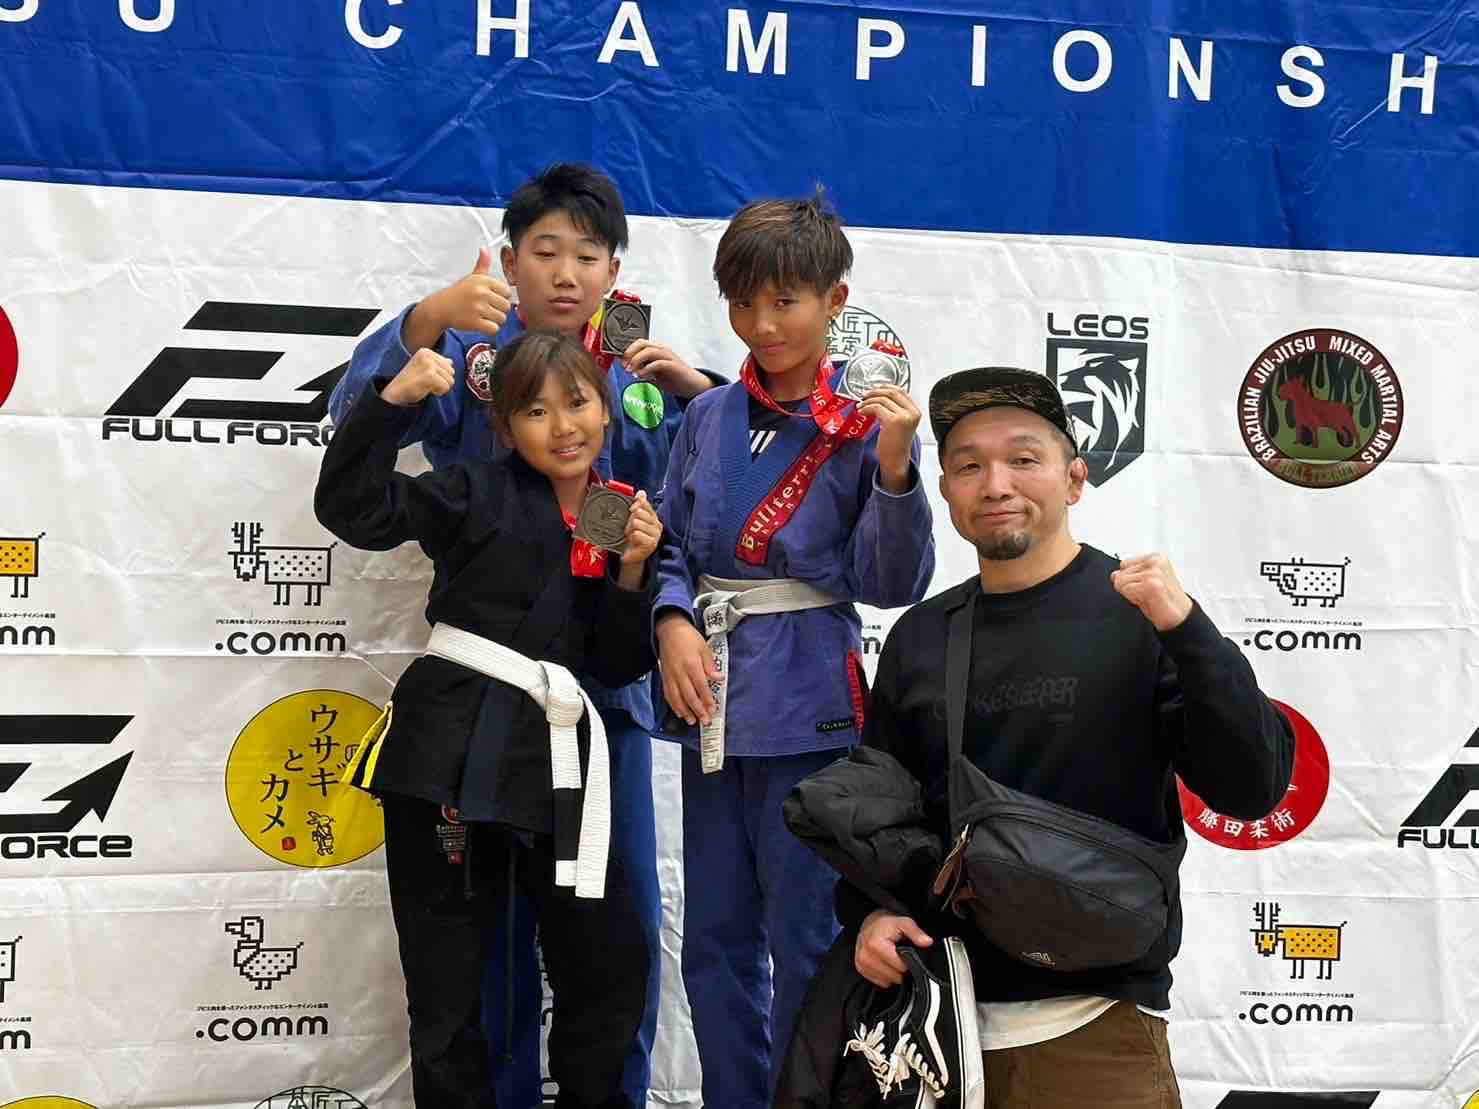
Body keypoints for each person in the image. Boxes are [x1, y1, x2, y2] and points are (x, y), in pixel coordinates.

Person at [329, 162, 716, 1107]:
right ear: (509, 262)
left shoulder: (637, 370)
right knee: (477, 943)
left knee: (613, 937)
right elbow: (355, 432)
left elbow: (673, 518)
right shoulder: (471, 349)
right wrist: (425, 320)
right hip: (486, 695)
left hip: (601, 692)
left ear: (613, 268)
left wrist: (665, 608)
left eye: (588, 254)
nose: (565, 273)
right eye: (544, 251)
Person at [845, 367, 1296, 1107]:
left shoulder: (1143, 616)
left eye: (1023, 459)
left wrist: (1189, 632)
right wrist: (869, 913)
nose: (996, 484)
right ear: (946, 489)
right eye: (969, 465)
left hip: (1097, 1030)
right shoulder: (922, 637)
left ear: (1075, 479)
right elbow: (883, 813)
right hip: (936, 1031)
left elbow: (1253, 788)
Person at [315, 330, 660, 1109]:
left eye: (576, 402)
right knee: (449, 987)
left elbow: (612, 663)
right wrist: (390, 402)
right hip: (449, 747)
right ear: (505, 427)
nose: (562, 426)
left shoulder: (614, 513)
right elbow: (353, 507)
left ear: (605, 408)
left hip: (556, 758)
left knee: (608, 964)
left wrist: (634, 572)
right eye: (536, 411)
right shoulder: (471, 489)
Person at [652, 190, 935, 1109]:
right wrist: (671, 621)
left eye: (785, 301)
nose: (764, 324)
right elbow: (668, 545)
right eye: (744, 303)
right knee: (714, 939)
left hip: (809, 699)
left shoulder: (865, 424)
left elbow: (891, 583)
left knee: (806, 937)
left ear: (833, 301)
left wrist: (895, 464)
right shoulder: (706, 416)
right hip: (709, 699)